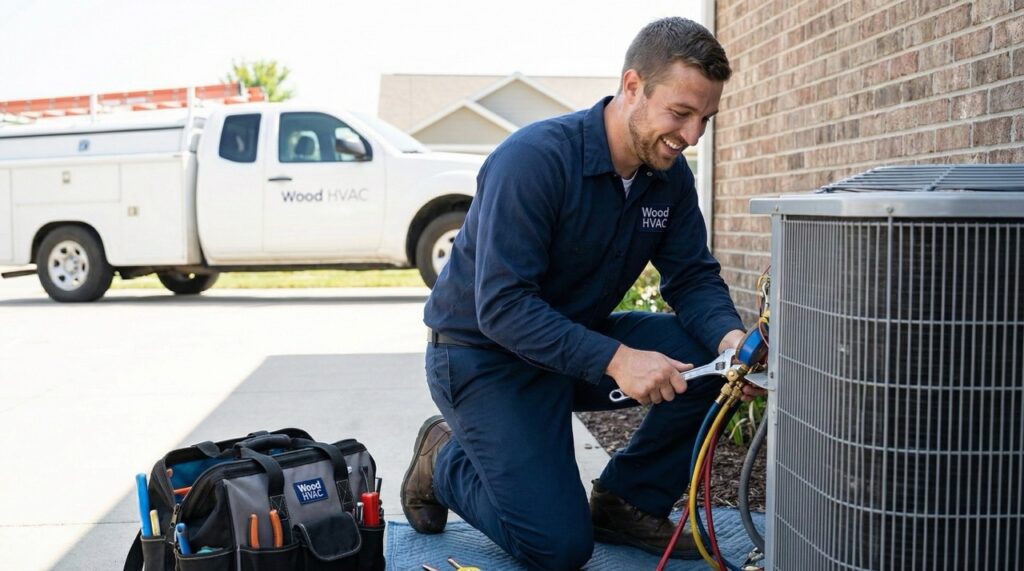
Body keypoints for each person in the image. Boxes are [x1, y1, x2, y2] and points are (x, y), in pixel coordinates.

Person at [401, 17, 763, 570]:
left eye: (705, 119)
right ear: (633, 86)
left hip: (570, 344)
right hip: (482, 357)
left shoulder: (669, 178)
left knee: (709, 358)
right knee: (559, 548)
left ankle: (626, 501)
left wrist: (731, 341)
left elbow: (690, 276)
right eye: (681, 114)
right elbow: (501, 307)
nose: (692, 137)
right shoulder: (535, 161)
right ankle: (442, 460)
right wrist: (616, 359)